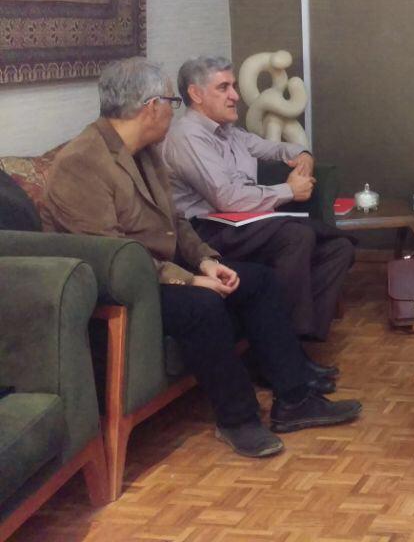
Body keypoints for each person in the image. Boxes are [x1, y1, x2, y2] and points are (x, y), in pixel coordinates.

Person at [42, 59, 362, 458]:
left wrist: (207, 260)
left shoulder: (145, 152)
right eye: (171, 103)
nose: (173, 112)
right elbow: (111, 255)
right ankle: (238, 419)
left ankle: (295, 400)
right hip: (122, 287)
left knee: (258, 280)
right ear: (151, 107)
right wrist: (189, 279)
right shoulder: (83, 163)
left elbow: (175, 220)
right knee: (203, 305)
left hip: (155, 268)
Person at [163, 55, 355, 342]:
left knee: (339, 248)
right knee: (297, 236)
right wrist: (289, 191)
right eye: (224, 88)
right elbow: (227, 198)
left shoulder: (230, 133)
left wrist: (303, 155)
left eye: (234, 86)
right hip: (204, 231)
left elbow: (274, 149)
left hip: (243, 225)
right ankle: (285, 344)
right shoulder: (188, 136)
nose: (235, 96)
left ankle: (301, 339)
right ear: (196, 94)